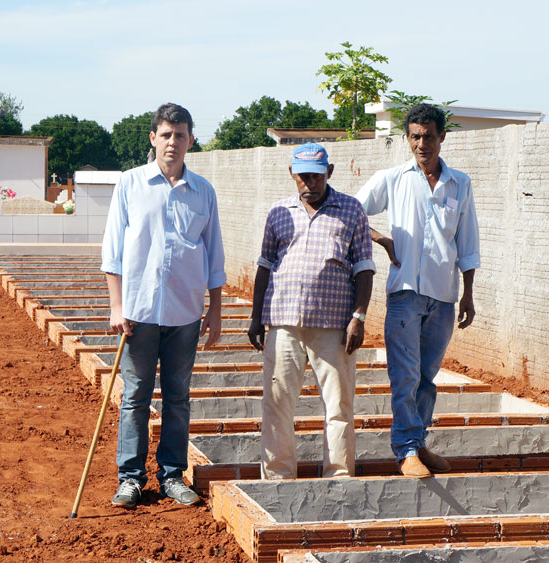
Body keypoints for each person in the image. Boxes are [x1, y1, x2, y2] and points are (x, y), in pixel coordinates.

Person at [101, 103, 226, 508]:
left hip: (185, 313)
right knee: (136, 396)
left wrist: (216, 310)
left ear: (191, 140)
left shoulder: (203, 192)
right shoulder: (130, 184)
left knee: (178, 396)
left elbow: (214, 254)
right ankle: (130, 479)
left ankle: (172, 475)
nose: (173, 142)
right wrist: (116, 306)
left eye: (181, 135)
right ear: (153, 138)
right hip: (137, 313)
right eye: (166, 134)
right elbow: (113, 250)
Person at [355, 104, 480, 478]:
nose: (421, 143)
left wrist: (468, 293)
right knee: (405, 376)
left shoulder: (459, 183)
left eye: (428, 135)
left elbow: (467, 241)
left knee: (426, 378)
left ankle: (419, 442)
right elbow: (350, 211)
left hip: (443, 296)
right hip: (405, 294)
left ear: (442, 136)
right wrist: (380, 239)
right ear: (407, 138)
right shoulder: (393, 179)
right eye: (415, 136)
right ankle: (406, 449)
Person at [248, 142, 375, 480]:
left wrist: (358, 318)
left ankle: (338, 477)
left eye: (317, 176)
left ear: (329, 173)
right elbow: (264, 266)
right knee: (277, 405)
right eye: (303, 176)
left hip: (333, 325)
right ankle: (277, 478)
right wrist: (255, 317)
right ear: (292, 174)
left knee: (338, 407)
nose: (310, 183)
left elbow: (364, 267)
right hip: (283, 321)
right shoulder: (278, 211)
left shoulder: (351, 210)